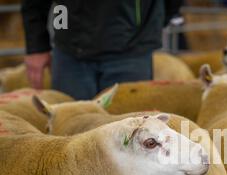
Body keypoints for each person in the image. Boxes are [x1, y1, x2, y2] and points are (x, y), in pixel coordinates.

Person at [21, 0, 182, 100]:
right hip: (71, 53)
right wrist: (36, 46)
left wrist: (151, 23)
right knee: (70, 133)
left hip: (131, 54)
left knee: (128, 138)